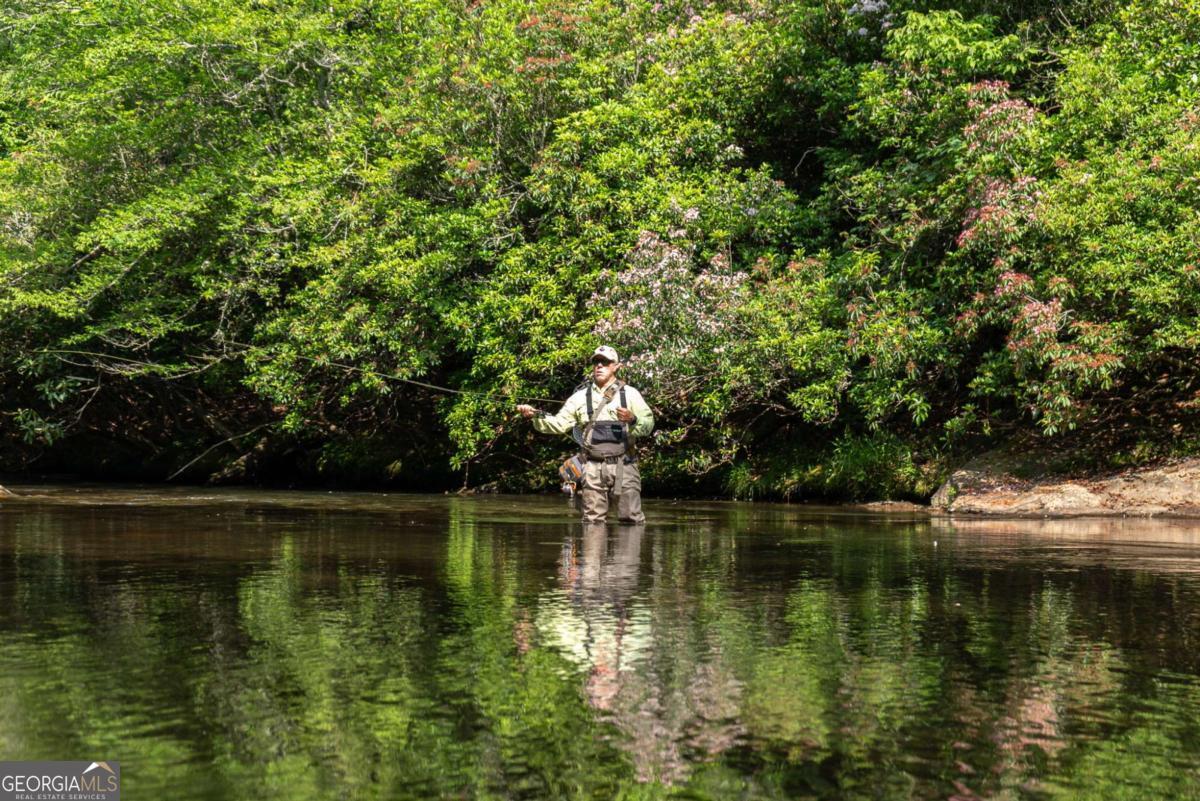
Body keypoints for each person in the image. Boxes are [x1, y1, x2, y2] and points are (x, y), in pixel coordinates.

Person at [517, 346, 654, 524]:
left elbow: (649, 424)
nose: (599, 366)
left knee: (631, 520)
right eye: (596, 362)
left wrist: (633, 419)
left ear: (616, 366)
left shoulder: (630, 394)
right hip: (592, 467)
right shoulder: (579, 397)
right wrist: (535, 415)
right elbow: (558, 424)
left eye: (604, 362)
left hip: (625, 465)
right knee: (592, 522)